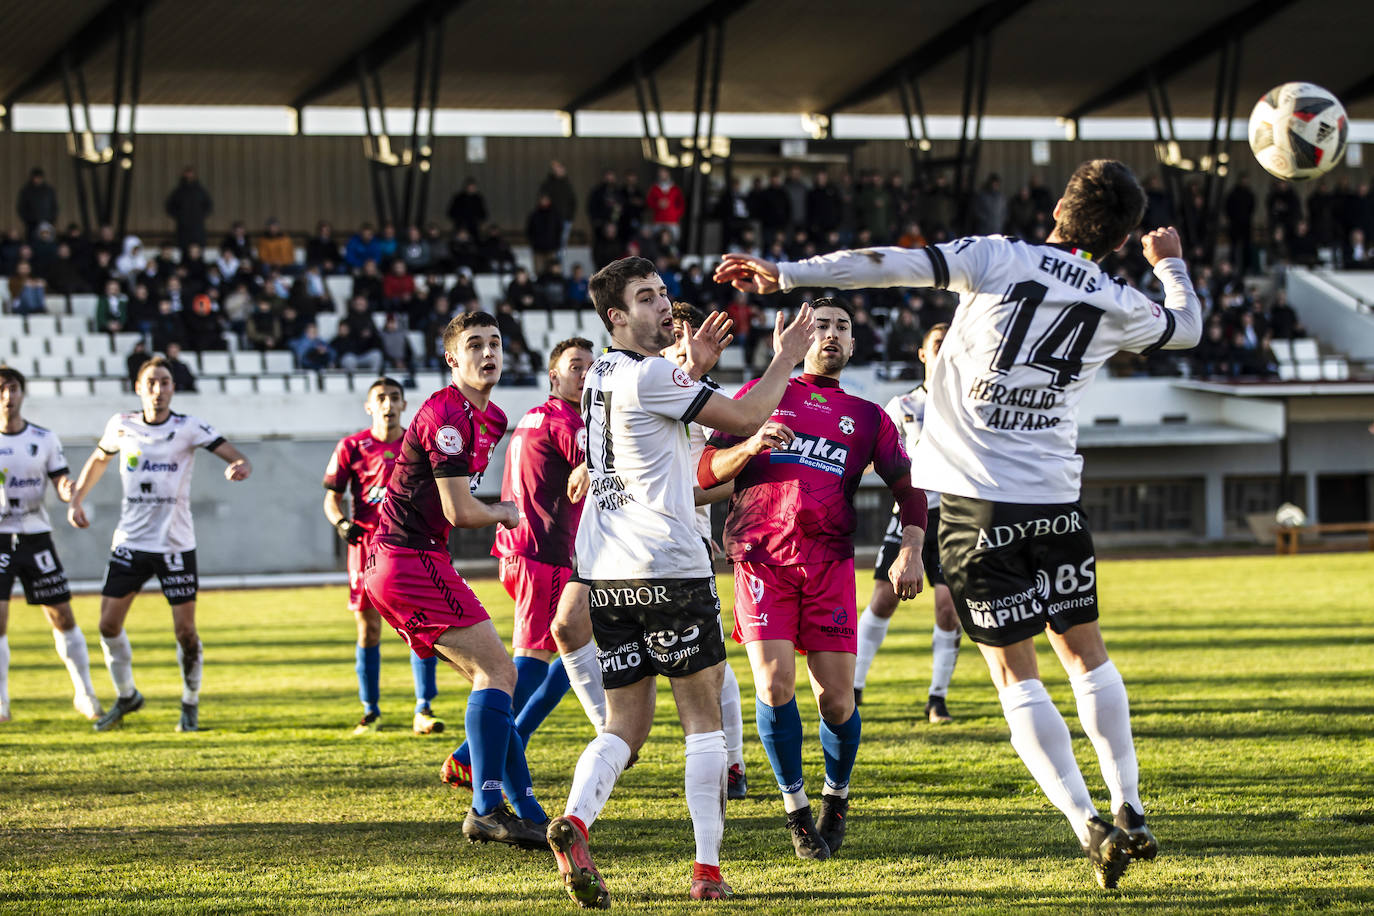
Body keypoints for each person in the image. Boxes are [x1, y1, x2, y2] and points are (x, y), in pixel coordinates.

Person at [714, 158, 1203, 890]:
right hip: (1055, 501)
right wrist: (1171, 266)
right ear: (1122, 236)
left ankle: (1086, 824)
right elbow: (1187, 329)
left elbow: (887, 264)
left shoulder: (1000, 256)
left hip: (976, 505)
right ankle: (1131, 804)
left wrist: (786, 272)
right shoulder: (1115, 296)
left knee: (1016, 675)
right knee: (1088, 655)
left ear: (1059, 214)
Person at [544, 256, 815, 907]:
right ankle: (706, 871)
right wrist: (786, 358)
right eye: (646, 298)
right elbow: (745, 419)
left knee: (625, 726)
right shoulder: (653, 374)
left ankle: (575, 822)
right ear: (616, 316)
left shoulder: (604, 371)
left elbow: (655, 405)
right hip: (669, 566)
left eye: (663, 293)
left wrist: (687, 365)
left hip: (609, 574)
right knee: (703, 724)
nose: (662, 305)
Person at [697, 297, 927, 862]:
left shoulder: (869, 417)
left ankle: (835, 797)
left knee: (838, 703)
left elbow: (909, 489)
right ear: (796, 337)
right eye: (819, 325)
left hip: (829, 566)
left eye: (841, 328)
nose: (829, 335)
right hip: (760, 561)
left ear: (853, 345)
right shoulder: (759, 395)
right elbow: (703, 475)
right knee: (775, 687)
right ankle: (797, 811)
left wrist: (912, 551)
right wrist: (750, 444)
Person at [361, 311, 547, 850]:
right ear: (452, 358)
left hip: (404, 559)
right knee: (498, 673)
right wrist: (506, 513)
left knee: (494, 679)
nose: (488, 353)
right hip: (409, 559)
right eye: (474, 345)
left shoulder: (490, 417)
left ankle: (526, 809)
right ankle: (486, 808)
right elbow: (460, 510)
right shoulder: (448, 414)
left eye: (495, 343)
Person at [67, 357, 253, 732]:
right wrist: (76, 499)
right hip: (131, 544)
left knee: (185, 632)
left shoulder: (189, 427)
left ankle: (189, 702)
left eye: (165, 382)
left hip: (175, 545)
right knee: (107, 625)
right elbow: (99, 459)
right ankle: (127, 696)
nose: (158, 389)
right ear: (138, 387)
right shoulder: (121, 425)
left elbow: (234, 454)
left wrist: (239, 466)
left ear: (173, 388)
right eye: (151, 382)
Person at [441, 337, 594, 790]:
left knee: (577, 652)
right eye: (576, 367)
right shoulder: (568, 422)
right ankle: (474, 755)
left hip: (523, 549)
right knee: (531, 661)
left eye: (591, 368)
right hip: (543, 552)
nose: (585, 375)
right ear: (554, 376)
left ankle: (507, 741)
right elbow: (600, 470)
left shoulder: (534, 416)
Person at [323, 378, 446, 737]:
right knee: (369, 628)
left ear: (404, 404)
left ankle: (423, 709)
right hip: (365, 548)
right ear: (369, 406)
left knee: (420, 627)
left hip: (408, 546)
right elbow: (331, 496)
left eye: (394, 398)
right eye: (381, 398)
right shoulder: (351, 446)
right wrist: (342, 522)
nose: (388, 404)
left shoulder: (418, 444)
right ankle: (370, 711)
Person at [852, 323, 962, 723]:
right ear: (923, 353)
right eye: (937, 344)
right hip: (909, 514)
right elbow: (870, 457)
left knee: (948, 608)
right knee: (884, 597)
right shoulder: (903, 405)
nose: (945, 349)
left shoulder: (970, 403)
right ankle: (854, 687)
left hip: (955, 517)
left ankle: (937, 699)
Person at [0, 368, 103, 724]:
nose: (7, 397)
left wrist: (67, 492)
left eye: (12, 389)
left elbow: (60, 479)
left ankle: (85, 694)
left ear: (22, 393)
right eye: (0, 390)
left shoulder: (43, 438)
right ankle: (1, 704)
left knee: (62, 615)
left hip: (34, 534)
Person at [164, 167, 213, 254]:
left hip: (197, 227)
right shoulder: (178, 192)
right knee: (184, 253)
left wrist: (200, 216)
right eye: (187, 175)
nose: (189, 177)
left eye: (191, 175)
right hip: (183, 228)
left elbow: (209, 206)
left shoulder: (200, 191)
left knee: (198, 252)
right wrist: (180, 216)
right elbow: (170, 207)